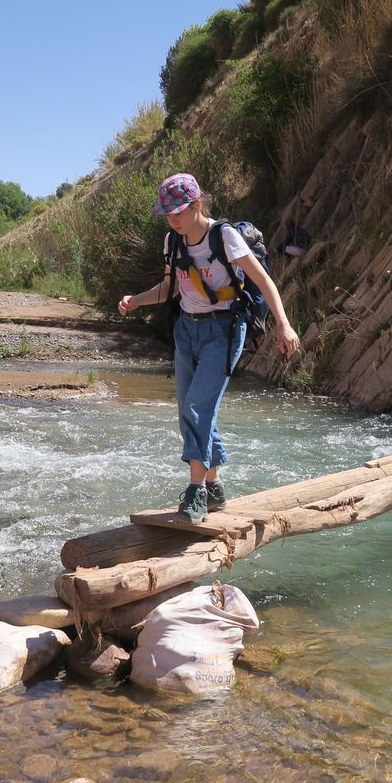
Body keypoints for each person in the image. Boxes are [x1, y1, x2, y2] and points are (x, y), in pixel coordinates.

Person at [119, 173, 301, 523]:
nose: (171, 218)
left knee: (197, 408)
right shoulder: (173, 241)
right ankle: (214, 487)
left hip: (225, 330)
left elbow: (263, 280)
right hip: (187, 331)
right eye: (167, 213)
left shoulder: (224, 236)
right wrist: (137, 301)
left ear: (197, 205)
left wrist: (284, 324)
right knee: (188, 412)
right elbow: (171, 288)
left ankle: (197, 491)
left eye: (178, 211)